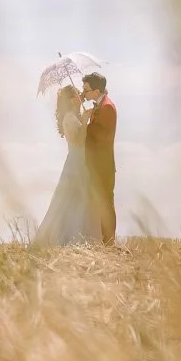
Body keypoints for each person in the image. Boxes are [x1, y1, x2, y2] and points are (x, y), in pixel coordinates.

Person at [33, 84, 98, 247]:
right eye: (76, 94)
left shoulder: (74, 115)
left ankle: (82, 237)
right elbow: (78, 141)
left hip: (81, 160)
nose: (80, 95)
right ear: (70, 100)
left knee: (79, 200)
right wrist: (85, 121)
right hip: (76, 163)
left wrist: (85, 118)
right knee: (71, 200)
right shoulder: (69, 118)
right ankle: (69, 238)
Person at [80, 72, 117, 245]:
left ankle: (109, 242)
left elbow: (103, 136)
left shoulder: (107, 107)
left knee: (106, 202)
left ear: (96, 91)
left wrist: (86, 125)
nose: (83, 93)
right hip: (97, 164)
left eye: (86, 90)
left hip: (103, 164)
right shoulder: (100, 106)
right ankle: (104, 240)